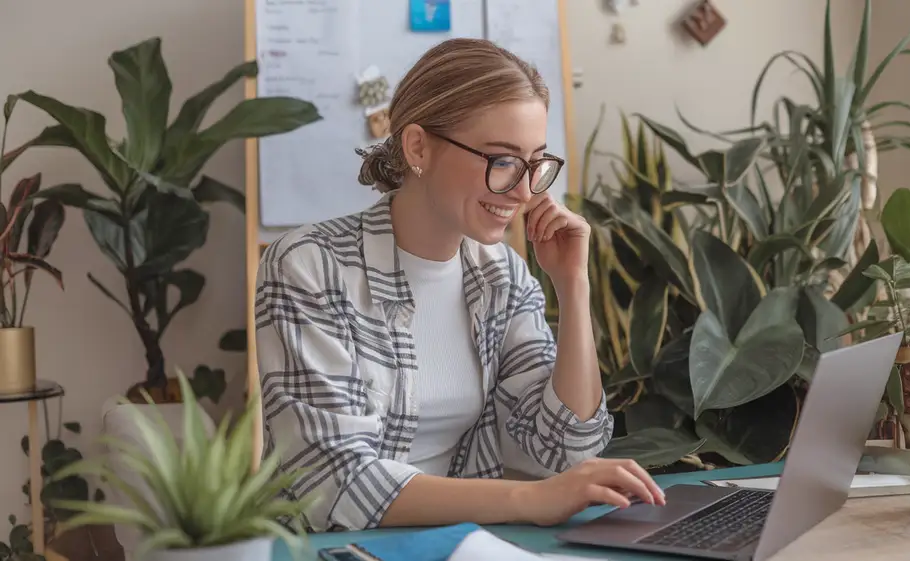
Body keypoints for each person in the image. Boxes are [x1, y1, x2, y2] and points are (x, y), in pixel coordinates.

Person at [254, 37, 666, 533]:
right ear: (418, 146)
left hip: (460, 545)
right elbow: (334, 481)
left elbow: (563, 449)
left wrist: (572, 285)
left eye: (536, 162)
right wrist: (529, 499)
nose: (524, 191)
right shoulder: (309, 266)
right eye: (502, 160)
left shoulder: (501, 274)